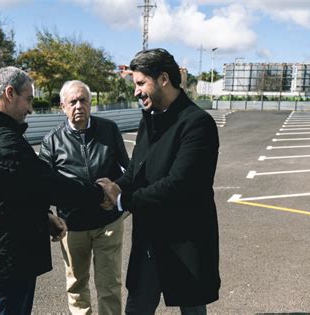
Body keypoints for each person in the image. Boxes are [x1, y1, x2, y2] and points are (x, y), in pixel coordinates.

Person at [0, 67, 108, 315]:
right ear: (10, 93)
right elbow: (48, 184)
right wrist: (100, 193)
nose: (30, 108)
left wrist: (43, 216)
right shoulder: (5, 140)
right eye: (28, 99)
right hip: (6, 263)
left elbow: (4, 194)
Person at [97, 48, 221, 315]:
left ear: (164, 78)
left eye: (141, 83)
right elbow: (134, 175)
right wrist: (108, 189)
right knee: (137, 308)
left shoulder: (197, 124)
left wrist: (122, 200)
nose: (136, 92)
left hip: (186, 244)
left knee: (193, 309)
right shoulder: (149, 121)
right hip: (149, 244)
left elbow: (179, 185)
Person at [39, 80, 129, 314]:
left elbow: (128, 170)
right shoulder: (52, 140)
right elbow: (43, 185)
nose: (79, 105)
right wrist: (48, 215)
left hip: (108, 223)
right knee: (76, 286)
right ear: (62, 106)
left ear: (91, 103)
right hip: (73, 226)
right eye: (73, 101)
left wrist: (118, 194)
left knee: (110, 285)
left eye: (83, 100)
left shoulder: (109, 129)